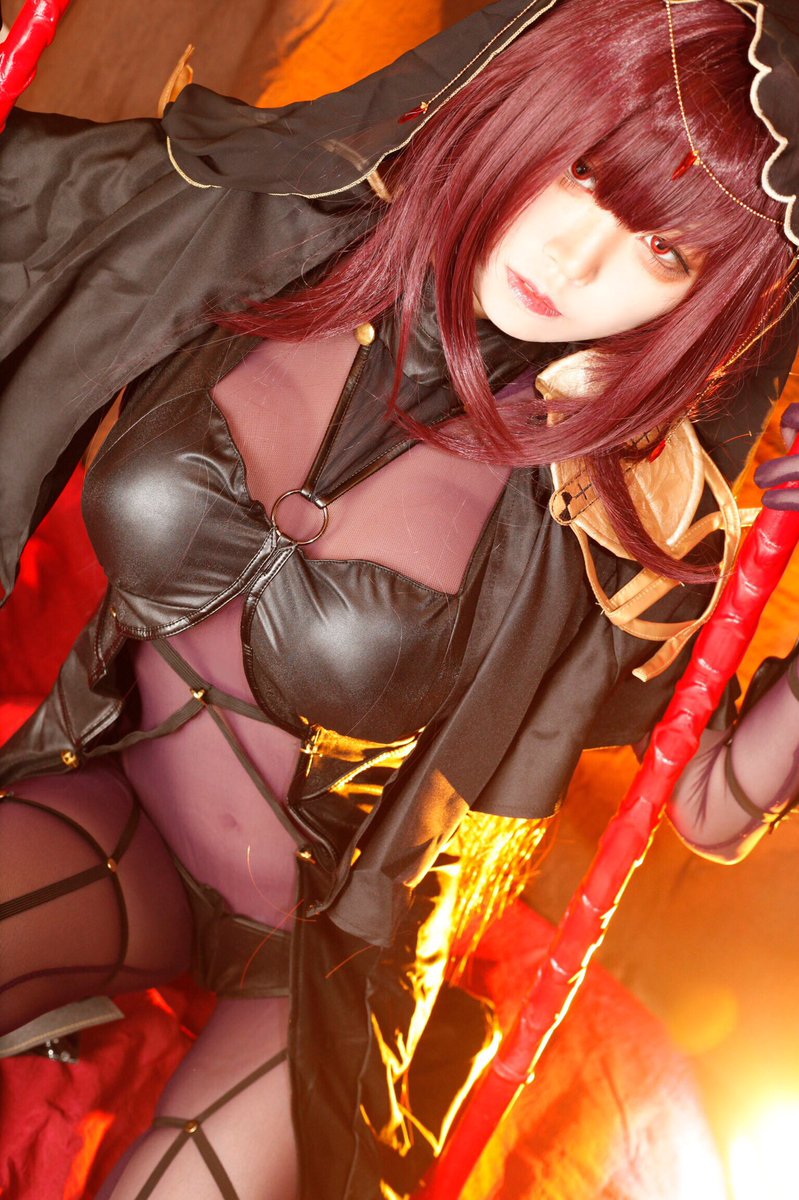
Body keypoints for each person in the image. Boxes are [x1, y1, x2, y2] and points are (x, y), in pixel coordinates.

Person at [1, 0, 798, 1197]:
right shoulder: (257, 228)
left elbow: (706, 805)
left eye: (663, 253)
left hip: (318, 953)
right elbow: (32, 214)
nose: (574, 264)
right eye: (583, 175)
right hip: (113, 810)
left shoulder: (613, 512)